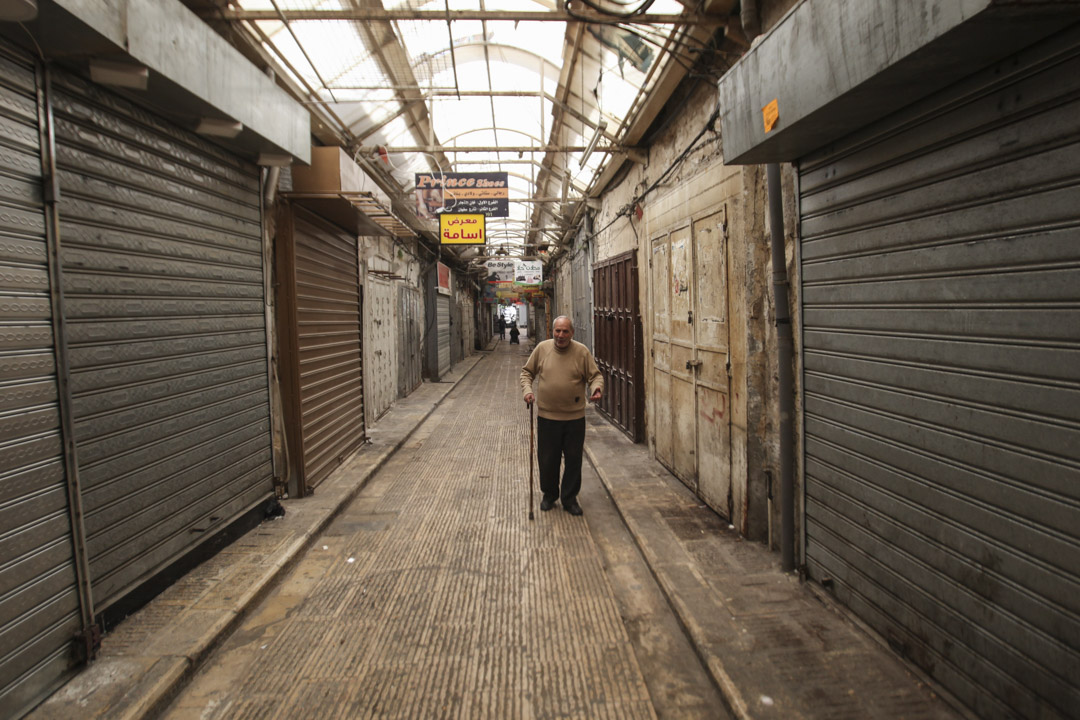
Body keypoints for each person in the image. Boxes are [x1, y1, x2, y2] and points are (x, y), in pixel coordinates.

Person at [520, 316, 603, 516]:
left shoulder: (581, 352)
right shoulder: (542, 349)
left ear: (572, 333)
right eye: (558, 331)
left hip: (574, 418)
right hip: (548, 417)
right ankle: (549, 495)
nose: (561, 335)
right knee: (548, 459)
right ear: (553, 331)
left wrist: (596, 388)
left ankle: (569, 498)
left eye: (565, 331)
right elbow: (527, 373)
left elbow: (595, 375)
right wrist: (527, 391)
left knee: (574, 460)